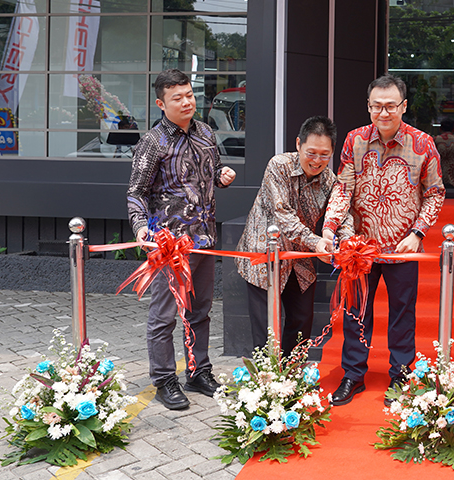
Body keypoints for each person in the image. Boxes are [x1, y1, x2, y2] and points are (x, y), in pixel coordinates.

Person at [321, 74, 445, 406]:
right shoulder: (354, 140)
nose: (383, 112)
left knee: (403, 313)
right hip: (360, 249)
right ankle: (353, 374)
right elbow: (343, 189)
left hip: (404, 248)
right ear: (369, 106)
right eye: (377, 106)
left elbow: (435, 194)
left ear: (403, 107)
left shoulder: (422, 143)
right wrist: (330, 230)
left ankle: (401, 375)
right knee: (355, 311)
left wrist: (418, 233)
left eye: (391, 106)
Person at [126, 69, 237, 410]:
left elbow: (211, 173)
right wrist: (141, 227)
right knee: (165, 315)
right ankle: (163, 378)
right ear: (162, 103)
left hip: (204, 239)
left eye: (189, 95)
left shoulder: (205, 132)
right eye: (178, 97)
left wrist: (222, 176)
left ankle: (198, 370)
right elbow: (136, 192)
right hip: (170, 246)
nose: (187, 102)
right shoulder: (153, 141)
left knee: (200, 310)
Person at [235, 116, 353, 354]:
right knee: (266, 327)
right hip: (264, 256)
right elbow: (283, 215)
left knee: (301, 321)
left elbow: (342, 212)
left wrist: (346, 241)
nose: (317, 161)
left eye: (324, 154)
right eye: (311, 152)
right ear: (298, 144)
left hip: (300, 260)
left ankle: (292, 378)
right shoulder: (278, 165)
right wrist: (317, 241)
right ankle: (267, 383)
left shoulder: (329, 179)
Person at [434, 117, 454, 189]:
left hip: (436, 179)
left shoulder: (434, 141)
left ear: (440, 129)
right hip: (453, 179)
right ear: (453, 129)